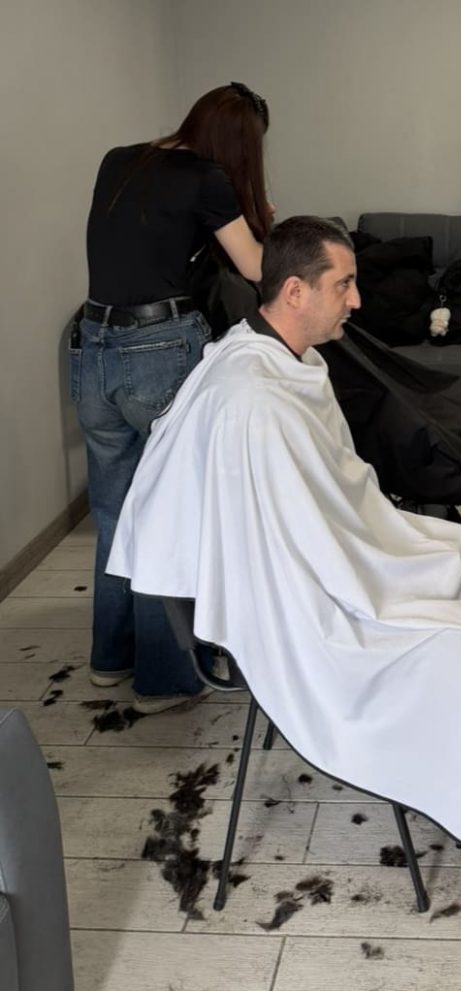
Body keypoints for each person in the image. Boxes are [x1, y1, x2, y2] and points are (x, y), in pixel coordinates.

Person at [106, 216, 461, 861]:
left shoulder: (279, 355)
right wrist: (377, 584)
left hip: (315, 557)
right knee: (457, 650)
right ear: (295, 292)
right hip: (288, 606)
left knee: (459, 553)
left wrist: (382, 544)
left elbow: (323, 502)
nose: (358, 300)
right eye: (344, 284)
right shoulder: (251, 401)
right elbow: (287, 553)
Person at [73, 83, 273, 713]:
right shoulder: (208, 180)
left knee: (114, 513)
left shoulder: (118, 161)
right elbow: (257, 269)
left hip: (92, 346)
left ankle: (110, 659)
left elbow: (142, 241)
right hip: (156, 351)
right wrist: (261, 214)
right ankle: (163, 679)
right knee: (168, 512)